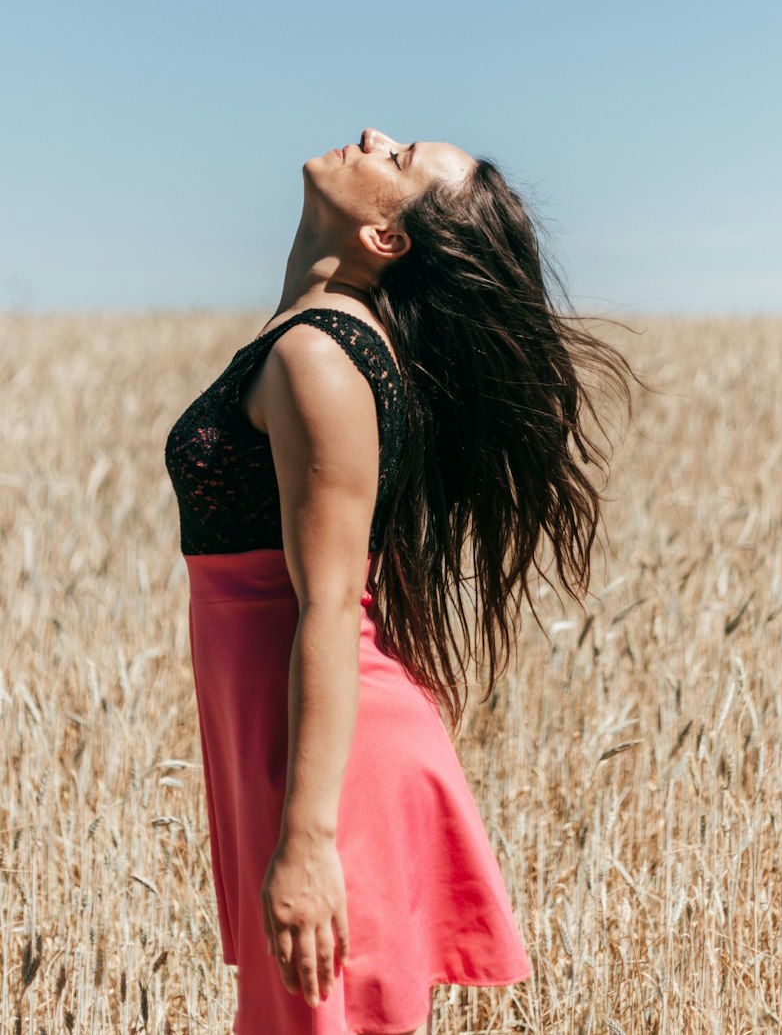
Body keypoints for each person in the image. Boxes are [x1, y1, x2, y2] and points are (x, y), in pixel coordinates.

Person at [165, 126, 636, 1034]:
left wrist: (308, 840)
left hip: (334, 771)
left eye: (398, 159)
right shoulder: (313, 340)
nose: (374, 137)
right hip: (294, 743)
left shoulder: (323, 357)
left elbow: (334, 603)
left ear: (387, 240)